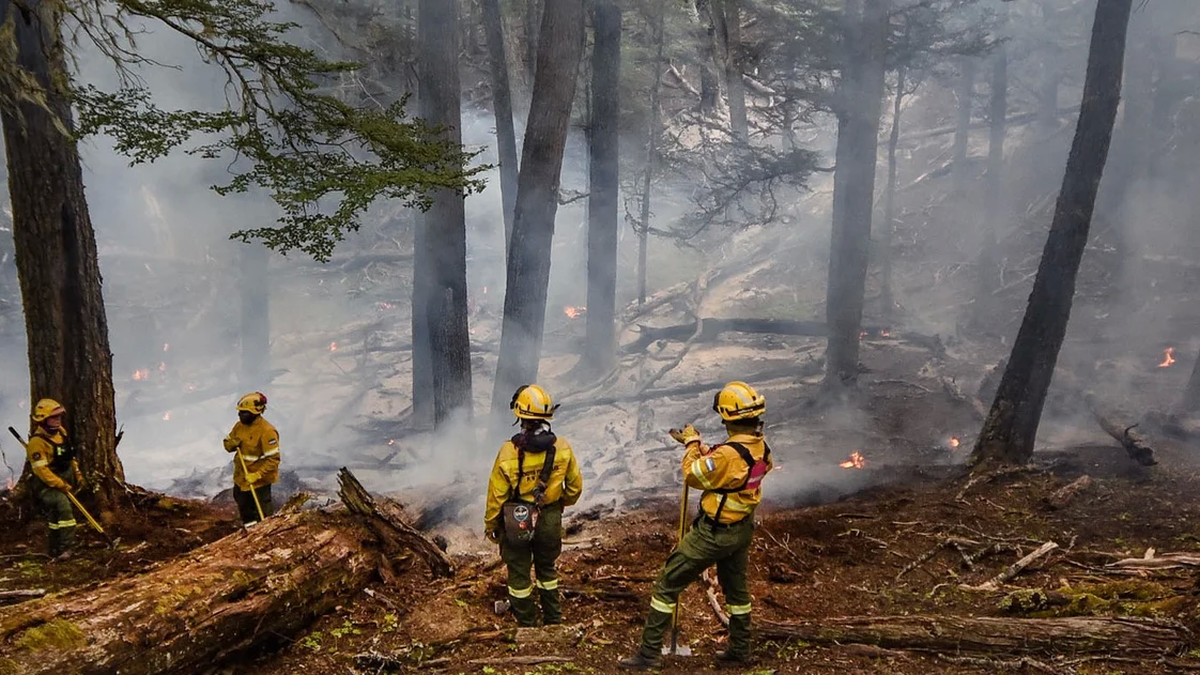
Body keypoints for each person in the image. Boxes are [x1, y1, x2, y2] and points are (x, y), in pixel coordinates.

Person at [619, 381, 773, 669]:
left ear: (728, 417)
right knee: (736, 592)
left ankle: (648, 654)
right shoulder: (760, 447)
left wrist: (691, 446)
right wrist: (707, 451)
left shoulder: (728, 454)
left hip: (715, 533)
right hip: (741, 529)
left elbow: (693, 475)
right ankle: (740, 650)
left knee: (667, 583)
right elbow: (731, 469)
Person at [484, 384, 584, 627]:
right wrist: (559, 505)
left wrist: (492, 524)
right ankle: (553, 619)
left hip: (517, 517)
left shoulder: (509, 451)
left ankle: (527, 622)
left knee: (519, 572)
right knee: (547, 570)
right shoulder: (562, 447)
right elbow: (574, 487)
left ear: (520, 416)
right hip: (549, 516)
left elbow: (497, 495)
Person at [26, 398, 83, 559]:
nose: (57, 420)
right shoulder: (37, 443)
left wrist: (77, 474)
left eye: (59, 416)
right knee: (62, 507)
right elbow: (41, 471)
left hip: (64, 478)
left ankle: (54, 547)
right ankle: (67, 548)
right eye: (53, 417)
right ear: (43, 420)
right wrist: (60, 484)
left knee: (55, 516)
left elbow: (70, 457)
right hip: (47, 485)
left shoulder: (62, 433)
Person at [222, 392, 280, 527]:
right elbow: (228, 442)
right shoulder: (239, 426)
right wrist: (230, 444)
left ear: (255, 412)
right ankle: (250, 535)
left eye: (244, 412)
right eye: (240, 412)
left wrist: (257, 475)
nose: (240, 415)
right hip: (241, 478)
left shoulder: (267, 431)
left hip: (258, 482)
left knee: (262, 514)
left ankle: (266, 536)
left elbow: (273, 460)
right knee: (245, 509)